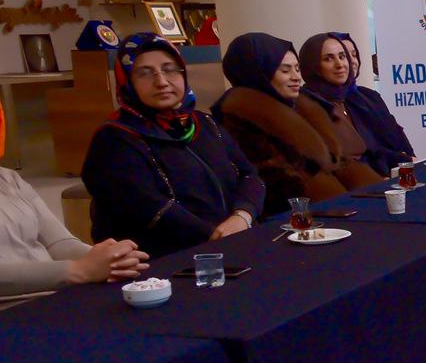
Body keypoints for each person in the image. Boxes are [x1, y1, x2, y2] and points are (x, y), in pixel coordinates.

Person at [81, 33, 267, 259]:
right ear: (127, 80)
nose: (161, 82)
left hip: (232, 243)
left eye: (170, 70)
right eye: (145, 73)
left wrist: (242, 216)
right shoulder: (115, 138)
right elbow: (148, 207)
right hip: (161, 262)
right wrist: (217, 236)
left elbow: (249, 176)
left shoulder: (204, 124)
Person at [214, 32, 384, 213]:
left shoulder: (303, 107)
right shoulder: (239, 119)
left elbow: (337, 161)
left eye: (297, 69)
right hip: (294, 216)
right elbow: (275, 182)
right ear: (259, 74)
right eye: (285, 70)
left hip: (335, 208)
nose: (296, 77)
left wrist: (371, 190)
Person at [1, 168, 148, 308]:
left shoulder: (8, 177)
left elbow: (58, 242)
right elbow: (79, 270)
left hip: (56, 294)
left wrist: (110, 259)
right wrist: (77, 270)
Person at [307, 31, 414, 174]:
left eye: (350, 55)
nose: (347, 62)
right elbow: (367, 150)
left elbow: (395, 133)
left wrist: (410, 160)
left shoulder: (368, 96)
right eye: (329, 58)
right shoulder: (313, 103)